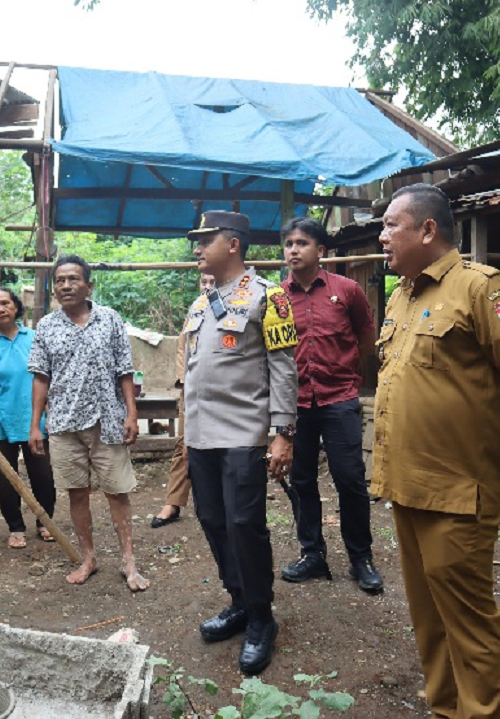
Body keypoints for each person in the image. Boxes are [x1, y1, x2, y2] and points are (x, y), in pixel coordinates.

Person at [373, 184, 500, 718]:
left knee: (468, 622)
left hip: (457, 487)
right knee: (429, 619)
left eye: (390, 226)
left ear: (428, 230)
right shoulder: (403, 293)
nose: (382, 237)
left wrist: (491, 429)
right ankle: (446, 709)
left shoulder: (481, 289)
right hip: (407, 483)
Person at [183, 211, 298, 675]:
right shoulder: (200, 304)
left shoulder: (271, 298)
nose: (196, 247)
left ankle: (261, 617)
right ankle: (239, 601)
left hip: (244, 434)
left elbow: (284, 367)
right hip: (202, 435)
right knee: (212, 519)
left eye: (204, 240)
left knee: (244, 523)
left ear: (232, 244)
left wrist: (282, 432)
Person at [28, 255, 149, 592]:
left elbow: (124, 370)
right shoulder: (46, 326)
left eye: (73, 279)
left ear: (88, 285)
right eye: (60, 281)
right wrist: (36, 425)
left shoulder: (109, 319)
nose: (66, 285)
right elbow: (40, 377)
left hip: (107, 422)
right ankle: (89, 558)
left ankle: (129, 561)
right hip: (64, 425)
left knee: (117, 492)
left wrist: (132, 414)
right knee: (76, 493)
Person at [278, 218, 382, 594]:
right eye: (288, 243)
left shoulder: (348, 290)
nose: (293, 250)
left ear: (320, 251)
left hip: (339, 399)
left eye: (302, 243)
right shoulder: (277, 297)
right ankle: (312, 555)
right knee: (302, 479)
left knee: (350, 479)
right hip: (297, 403)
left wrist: (348, 374)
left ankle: (361, 558)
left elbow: (367, 339)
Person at [0, 287, 56, 548]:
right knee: (6, 477)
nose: (1, 309)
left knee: (43, 475)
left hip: (35, 419)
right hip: (1, 419)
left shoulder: (34, 338)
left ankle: (45, 521)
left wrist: (48, 413)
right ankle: (15, 526)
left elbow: (45, 378)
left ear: (16, 307)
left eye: (5, 303)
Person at [151, 273, 215, 528]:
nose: (208, 287)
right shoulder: (196, 309)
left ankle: (215, 503)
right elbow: (182, 346)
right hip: (191, 389)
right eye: (203, 282)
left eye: (213, 282)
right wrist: (185, 380)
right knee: (184, 444)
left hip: (225, 393)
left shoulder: (238, 307)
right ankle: (173, 502)